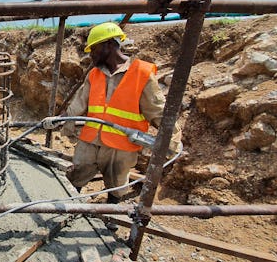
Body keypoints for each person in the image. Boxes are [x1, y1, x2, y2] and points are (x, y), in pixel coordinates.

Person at [43, 22, 181, 210]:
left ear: (108, 45)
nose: (90, 55)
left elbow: (159, 113)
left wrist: (171, 142)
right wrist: (60, 122)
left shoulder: (141, 73)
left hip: (120, 145)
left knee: (116, 184)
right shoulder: (94, 74)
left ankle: (111, 215)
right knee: (77, 173)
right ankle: (70, 208)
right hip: (91, 140)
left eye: (93, 49)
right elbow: (78, 104)